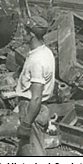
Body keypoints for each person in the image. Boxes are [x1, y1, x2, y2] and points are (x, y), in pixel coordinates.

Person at [14, 15, 56, 156]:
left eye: (24, 31)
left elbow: (36, 97)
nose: (21, 33)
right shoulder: (46, 52)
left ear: (31, 35)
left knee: (34, 156)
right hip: (37, 110)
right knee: (24, 153)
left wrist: (26, 124)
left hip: (32, 112)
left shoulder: (37, 60)